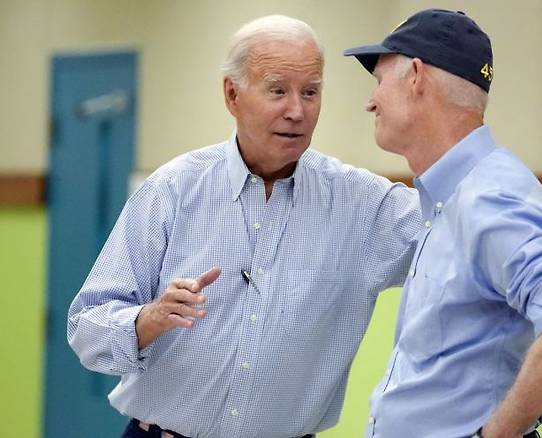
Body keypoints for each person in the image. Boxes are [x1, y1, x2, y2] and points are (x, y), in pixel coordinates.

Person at [68, 15, 421, 438]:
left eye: (310, 92)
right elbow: (85, 328)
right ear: (232, 95)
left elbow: (463, 238)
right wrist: (149, 318)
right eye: (278, 91)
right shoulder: (173, 189)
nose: (297, 111)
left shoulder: (363, 205)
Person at [344, 8, 542, 438]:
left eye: (380, 81)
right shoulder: (452, 197)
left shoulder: (490, 197)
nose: (370, 101)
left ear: (416, 76)